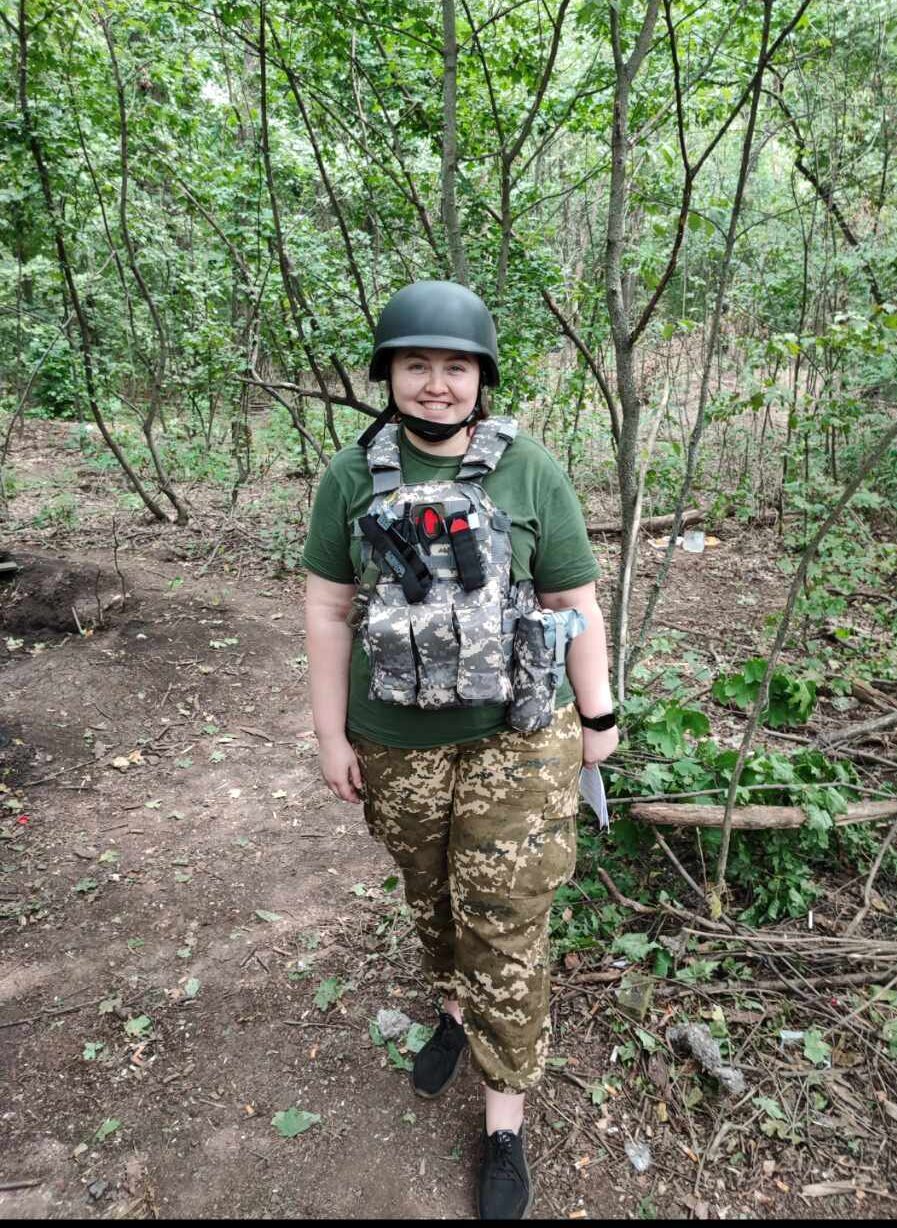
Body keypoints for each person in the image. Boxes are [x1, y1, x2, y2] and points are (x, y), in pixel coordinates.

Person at [302, 281, 619, 1220]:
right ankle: (450, 1007)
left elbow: (571, 602)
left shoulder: (530, 470)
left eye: (454, 367)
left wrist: (597, 717)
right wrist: (329, 734)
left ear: (480, 379)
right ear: (388, 375)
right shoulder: (350, 476)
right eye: (416, 364)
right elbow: (326, 610)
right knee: (430, 894)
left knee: (506, 922)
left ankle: (503, 1120)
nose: (435, 383)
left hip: (514, 738)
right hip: (395, 742)